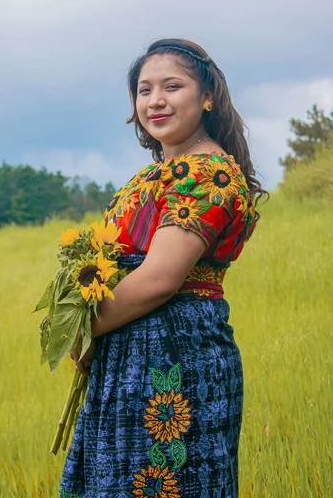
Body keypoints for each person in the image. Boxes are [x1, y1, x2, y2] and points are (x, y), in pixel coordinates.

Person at [59, 38, 269, 498]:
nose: (155, 100)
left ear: (207, 95)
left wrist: (83, 329)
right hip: (129, 351)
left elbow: (159, 279)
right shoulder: (151, 174)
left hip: (172, 352)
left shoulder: (205, 172)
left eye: (172, 86)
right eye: (144, 90)